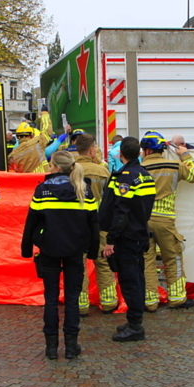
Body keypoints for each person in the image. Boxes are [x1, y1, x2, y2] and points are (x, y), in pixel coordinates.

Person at [21, 151, 100, 360]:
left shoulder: (43, 190)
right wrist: (93, 251)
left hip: (49, 250)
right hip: (75, 251)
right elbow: (94, 223)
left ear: (55, 167)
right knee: (72, 300)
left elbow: (31, 221)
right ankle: (71, 347)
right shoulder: (84, 190)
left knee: (51, 299)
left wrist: (26, 248)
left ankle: (51, 348)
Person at [100, 136, 156, 342]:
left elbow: (121, 211)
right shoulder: (145, 175)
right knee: (138, 279)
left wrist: (111, 239)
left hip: (127, 237)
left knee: (130, 281)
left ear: (120, 154)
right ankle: (134, 320)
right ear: (139, 153)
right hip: (140, 233)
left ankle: (135, 326)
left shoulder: (125, 177)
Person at [139, 131, 194, 311]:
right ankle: (177, 298)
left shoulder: (139, 169)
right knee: (173, 258)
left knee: (147, 261)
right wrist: (185, 155)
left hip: (143, 222)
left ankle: (150, 301)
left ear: (147, 151)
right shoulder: (175, 166)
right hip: (165, 222)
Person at [73, 133, 118, 314]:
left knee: (78, 265)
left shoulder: (70, 171)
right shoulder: (103, 172)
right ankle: (109, 302)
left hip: (77, 225)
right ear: (92, 150)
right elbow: (112, 200)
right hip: (100, 223)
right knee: (104, 262)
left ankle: (80, 305)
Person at [8, 109, 53, 173]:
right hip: (44, 177)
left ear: (18, 137)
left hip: (27, 179)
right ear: (31, 135)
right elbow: (47, 131)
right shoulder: (37, 142)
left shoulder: (13, 156)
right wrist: (44, 114)